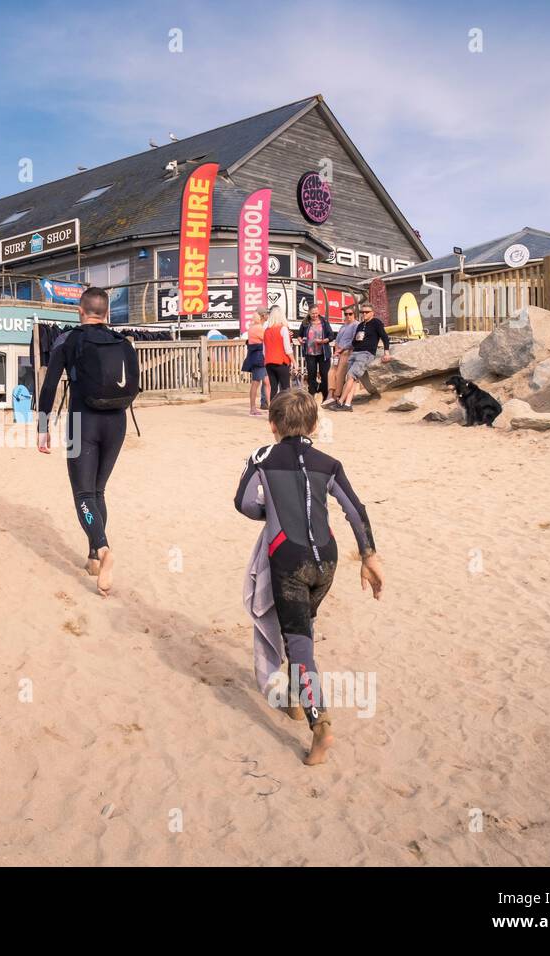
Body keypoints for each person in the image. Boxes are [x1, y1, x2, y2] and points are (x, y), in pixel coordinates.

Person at [235, 389, 385, 765]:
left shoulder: (262, 457)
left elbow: (243, 501)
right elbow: (355, 509)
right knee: (301, 626)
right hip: (327, 562)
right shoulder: (329, 463)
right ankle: (294, 699)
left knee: (300, 644)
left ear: (273, 426)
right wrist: (369, 556)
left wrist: (269, 514)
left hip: (289, 558)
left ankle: (320, 724)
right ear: (315, 425)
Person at [36, 287, 132, 596]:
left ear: (80, 311)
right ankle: (92, 558)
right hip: (117, 422)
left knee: (82, 495)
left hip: (82, 423)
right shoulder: (122, 342)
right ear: (107, 313)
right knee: (98, 490)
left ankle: (103, 550)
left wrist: (42, 426)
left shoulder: (68, 340)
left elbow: (49, 385)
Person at [329, 303, 390, 411]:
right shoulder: (360, 325)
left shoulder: (376, 322)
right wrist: (342, 349)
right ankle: (347, 405)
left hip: (366, 354)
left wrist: (386, 352)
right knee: (352, 379)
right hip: (355, 353)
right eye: (362, 312)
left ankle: (340, 402)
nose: (364, 314)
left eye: (367, 312)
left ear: (372, 313)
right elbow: (354, 342)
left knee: (351, 376)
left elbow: (385, 337)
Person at [297, 303, 334, 401]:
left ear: (319, 312)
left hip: (323, 353)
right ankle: (311, 397)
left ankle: (325, 397)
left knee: (325, 375)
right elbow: (299, 335)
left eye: (316, 313)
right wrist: (300, 340)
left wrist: (322, 341)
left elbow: (331, 336)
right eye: (312, 313)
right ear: (309, 313)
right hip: (310, 353)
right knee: (311, 375)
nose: (314, 315)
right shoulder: (305, 322)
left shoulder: (324, 322)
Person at [243, 308, 270, 417]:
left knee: (265, 382)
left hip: (257, 357)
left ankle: (269, 406)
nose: (268, 315)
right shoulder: (259, 328)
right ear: (263, 316)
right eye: (267, 314)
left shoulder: (254, 327)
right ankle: (253, 408)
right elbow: (267, 340)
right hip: (259, 358)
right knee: (256, 382)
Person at [262, 306, 292, 397]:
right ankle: (285, 410)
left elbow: (264, 350)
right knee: (285, 388)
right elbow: (288, 349)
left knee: (273, 388)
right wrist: (294, 361)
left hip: (269, 362)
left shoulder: (266, 330)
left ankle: (272, 410)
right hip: (281, 361)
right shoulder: (283, 329)